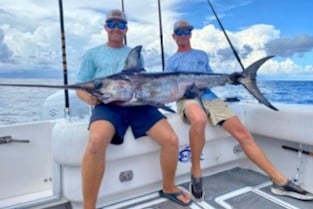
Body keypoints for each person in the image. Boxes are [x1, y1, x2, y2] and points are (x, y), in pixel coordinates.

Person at [165, 19, 313, 201]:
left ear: (191, 33)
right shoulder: (171, 61)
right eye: (179, 32)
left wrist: (231, 78)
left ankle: (280, 181)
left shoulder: (202, 55)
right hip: (186, 98)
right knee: (200, 119)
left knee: (243, 133)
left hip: (208, 95)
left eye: (186, 30)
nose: (183, 34)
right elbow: (171, 89)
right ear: (174, 37)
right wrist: (185, 92)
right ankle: (196, 172)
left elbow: (210, 77)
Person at [76, 10, 192, 208]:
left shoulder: (134, 55)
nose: (116, 28)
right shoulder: (92, 54)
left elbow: (144, 84)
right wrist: (91, 99)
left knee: (171, 139)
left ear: (126, 29)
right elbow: (81, 86)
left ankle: (169, 187)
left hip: (139, 104)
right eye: (111, 24)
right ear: (105, 27)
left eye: (120, 25)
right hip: (107, 105)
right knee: (96, 141)